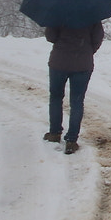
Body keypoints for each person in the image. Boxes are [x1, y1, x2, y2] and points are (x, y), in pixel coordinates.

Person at [45, 21, 103, 154]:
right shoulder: (92, 15)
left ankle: (54, 133)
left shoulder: (58, 12)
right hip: (83, 64)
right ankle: (71, 140)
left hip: (59, 62)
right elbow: (97, 39)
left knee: (56, 97)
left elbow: (51, 37)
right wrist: (86, 50)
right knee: (77, 102)